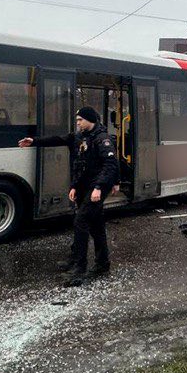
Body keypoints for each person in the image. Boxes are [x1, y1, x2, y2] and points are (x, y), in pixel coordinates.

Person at [18, 106, 121, 285]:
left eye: (80, 120)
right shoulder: (79, 136)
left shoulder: (102, 139)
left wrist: (99, 187)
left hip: (96, 187)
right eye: (77, 120)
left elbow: (111, 164)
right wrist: (33, 141)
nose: (78, 123)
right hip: (83, 186)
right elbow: (59, 141)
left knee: (81, 221)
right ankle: (100, 263)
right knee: (95, 224)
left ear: (90, 120)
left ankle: (79, 267)